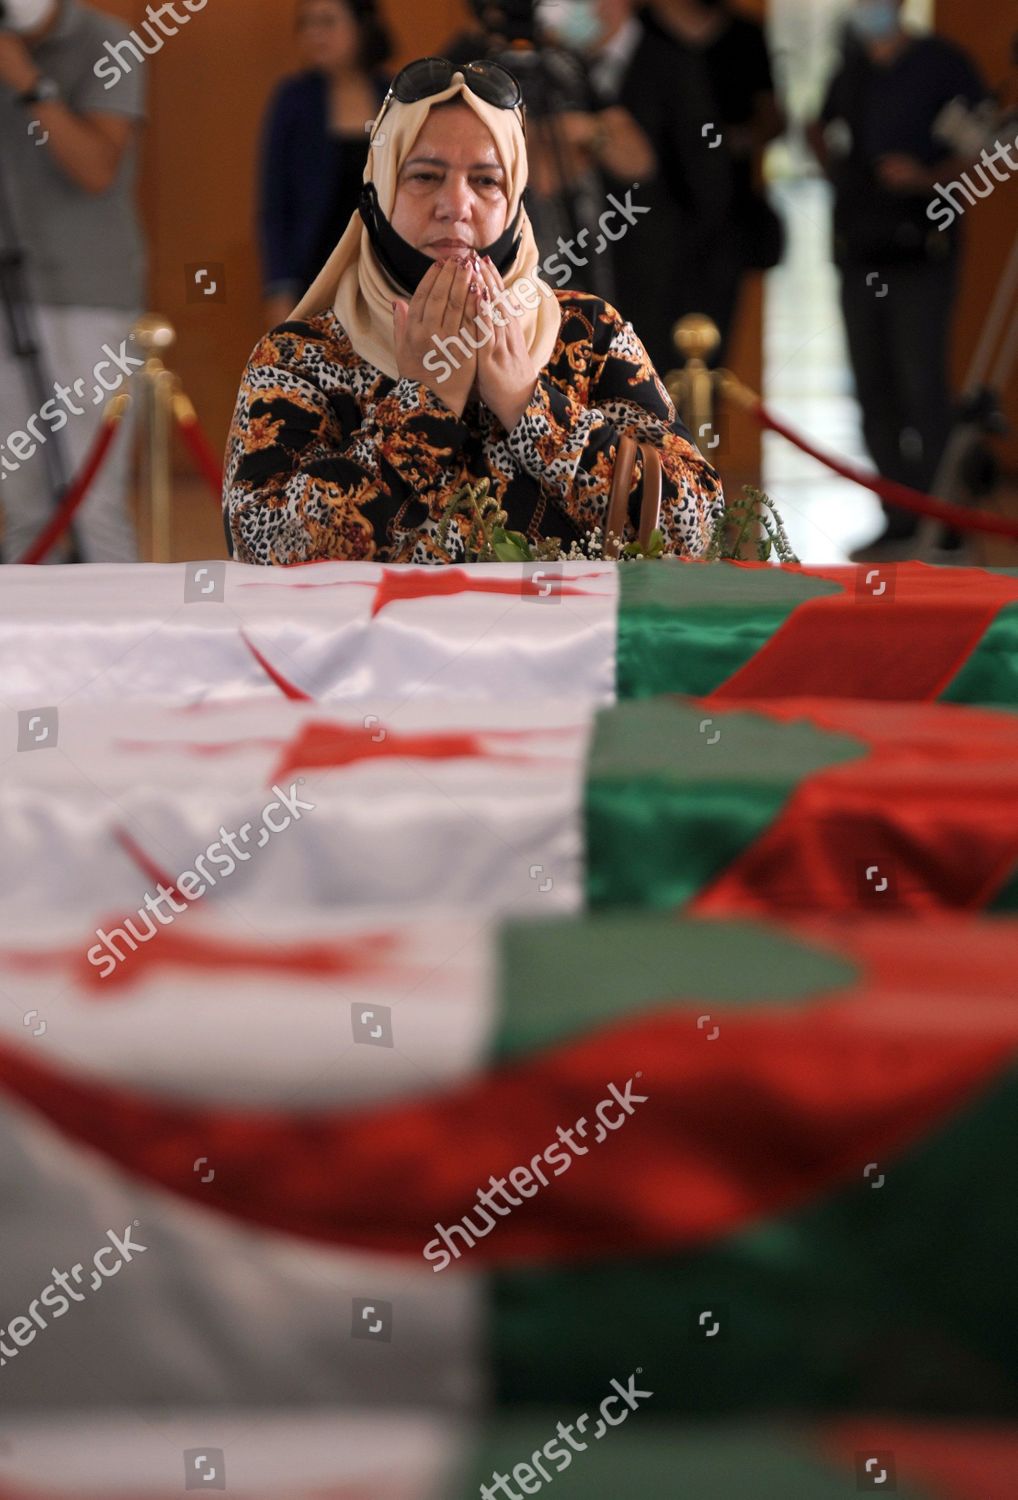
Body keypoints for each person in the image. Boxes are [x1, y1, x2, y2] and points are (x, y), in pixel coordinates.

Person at [223, 58, 724, 566]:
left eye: (486, 181)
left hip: (565, 646)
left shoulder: (585, 335)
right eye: (424, 176)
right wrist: (424, 409)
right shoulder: (302, 357)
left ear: (515, 203)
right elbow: (261, 545)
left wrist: (530, 407)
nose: (455, 205)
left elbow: (695, 525)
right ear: (379, 191)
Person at [809, 0, 991, 561]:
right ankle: (898, 515)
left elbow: (989, 149)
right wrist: (835, 165)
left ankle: (943, 518)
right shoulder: (853, 69)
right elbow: (819, 127)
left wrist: (927, 178)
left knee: (922, 387)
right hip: (859, 251)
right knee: (872, 387)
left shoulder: (943, 64)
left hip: (921, 254)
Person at [0, 0, 145, 564]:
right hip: (7, 300)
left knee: (92, 506)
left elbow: (95, 168)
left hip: (88, 297)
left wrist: (29, 83)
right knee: (26, 512)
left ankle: (124, 647)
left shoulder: (108, 42)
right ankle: (18, 651)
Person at [640, 0, 785, 364]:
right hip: (644, 225)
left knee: (710, 358)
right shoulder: (641, 31)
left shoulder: (745, 36)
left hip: (725, 224)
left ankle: (701, 423)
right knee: (643, 360)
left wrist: (738, 139)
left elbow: (772, 115)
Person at [258, 0, 393, 332]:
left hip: (382, 276)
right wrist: (279, 286)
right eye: (306, 24)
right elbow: (274, 204)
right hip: (314, 274)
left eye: (327, 22)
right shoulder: (293, 99)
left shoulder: (394, 94)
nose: (314, 34)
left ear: (361, 27)